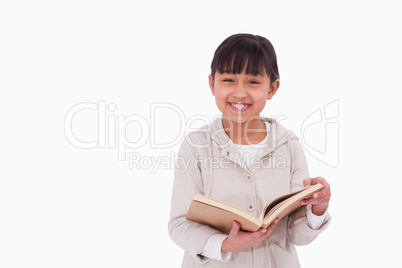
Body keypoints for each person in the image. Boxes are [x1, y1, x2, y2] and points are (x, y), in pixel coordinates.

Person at [168, 33, 331, 267]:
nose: (240, 92)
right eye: (229, 80)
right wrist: (225, 245)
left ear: (272, 88)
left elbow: (297, 235)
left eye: (253, 82)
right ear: (212, 84)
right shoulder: (196, 146)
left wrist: (318, 207)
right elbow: (179, 225)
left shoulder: (288, 144)